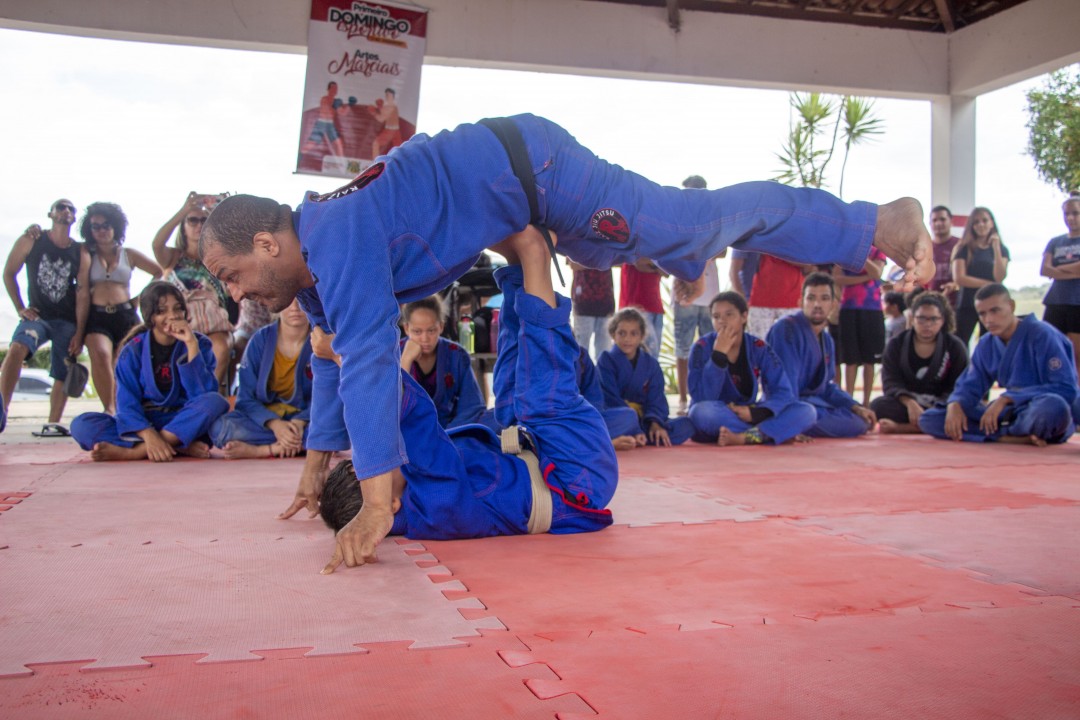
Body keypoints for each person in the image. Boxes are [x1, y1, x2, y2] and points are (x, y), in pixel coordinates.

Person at [199, 113, 932, 568]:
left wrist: (380, 503)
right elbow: (332, 358)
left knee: (691, 225)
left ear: (267, 243)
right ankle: (833, 243)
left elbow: (364, 361)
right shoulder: (320, 263)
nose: (237, 296)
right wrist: (316, 467)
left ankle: (875, 222)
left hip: (539, 173)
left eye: (233, 276)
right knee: (669, 247)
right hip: (529, 196)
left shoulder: (337, 234)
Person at [318, 230, 617, 565]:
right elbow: (416, 422)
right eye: (375, 473)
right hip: (577, 476)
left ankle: (517, 266)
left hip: (542, 456)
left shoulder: (415, 490)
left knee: (507, 393)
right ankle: (535, 256)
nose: (377, 461)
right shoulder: (434, 505)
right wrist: (343, 358)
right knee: (540, 397)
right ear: (387, 507)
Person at [70, 281, 229, 461]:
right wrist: (148, 434)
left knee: (216, 401)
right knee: (81, 426)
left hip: (182, 420)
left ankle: (137, 451)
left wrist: (191, 345)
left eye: (178, 309)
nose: (173, 316)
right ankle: (177, 445)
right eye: (161, 311)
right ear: (149, 316)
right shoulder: (132, 350)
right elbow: (126, 403)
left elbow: (203, 394)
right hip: (145, 422)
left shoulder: (199, 344)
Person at [919, 284, 1078, 446]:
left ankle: (1005, 432)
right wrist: (956, 403)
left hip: (1038, 409)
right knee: (930, 418)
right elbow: (970, 385)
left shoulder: (1043, 334)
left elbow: (1066, 388)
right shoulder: (986, 344)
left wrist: (1008, 398)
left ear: (1011, 306)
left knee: (1053, 407)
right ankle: (1008, 437)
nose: (989, 320)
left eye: (995, 311)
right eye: (982, 314)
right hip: (1009, 414)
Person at [1, 199, 90, 436]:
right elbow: (9, 273)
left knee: (63, 367)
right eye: (61, 207)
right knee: (18, 346)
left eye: (71, 209)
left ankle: (52, 423)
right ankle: (2, 410)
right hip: (37, 315)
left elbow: (82, 293)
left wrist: (80, 332)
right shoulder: (33, 239)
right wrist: (20, 307)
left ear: (74, 217)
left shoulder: (79, 250)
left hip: (66, 319)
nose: (66, 211)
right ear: (50, 213)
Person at [687, 291, 815, 446]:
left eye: (729, 315)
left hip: (748, 413)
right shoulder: (701, 347)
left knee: (806, 411)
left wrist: (755, 413)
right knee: (700, 412)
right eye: (716, 316)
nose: (722, 321)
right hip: (718, 414)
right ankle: (766, 433)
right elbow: (702, 397)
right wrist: (718, 356)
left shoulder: (759, 348)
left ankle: (744, 436)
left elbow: (783, 391)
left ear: (744, 316)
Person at [766, 273, 877, 438]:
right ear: (800, 302)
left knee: (859, 420)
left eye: (824, 298)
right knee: (810, 414)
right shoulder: (786, 329)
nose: (817, 304)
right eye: (811, 298)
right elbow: (784, 385)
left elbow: (827, 386)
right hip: (788, 405)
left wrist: (854, 406)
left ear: (833, 304)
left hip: (812, 405)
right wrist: (792, 420)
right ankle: (788, 423)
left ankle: (799, 422)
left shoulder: (827, 340)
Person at [79, 202, 163, 415]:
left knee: (124, 362)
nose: (101, 230)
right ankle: (109, 408)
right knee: (100, 354)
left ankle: (125, 407)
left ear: (116, 226)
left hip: (125, 314)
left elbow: (158, 271)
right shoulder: (84, 253)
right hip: (96, 315)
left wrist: (139, 299)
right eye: (95, 226)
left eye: (106, 225)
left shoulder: (128, 254)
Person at [210, 298, 313, 458]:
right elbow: (245, 399)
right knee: (221, 428)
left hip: (306, 420)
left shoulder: (320, 342)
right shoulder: (260, 341)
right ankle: (297, 445)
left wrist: (300, 422)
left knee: (336, 425)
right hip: (267, 420)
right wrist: (275, 425)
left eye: (301, 301)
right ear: (276, 305)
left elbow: (329, 396)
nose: (295, 308)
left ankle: (264, 449)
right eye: (289, 301)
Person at [154, 192, 235, 386]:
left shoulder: (219, 257)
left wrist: (223, 213)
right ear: (183, 226)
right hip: (182, 320)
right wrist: (183, 211)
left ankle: (206, 397)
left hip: (215, 323)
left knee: (220, 347)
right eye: (192, 220)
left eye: (204, 220)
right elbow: (157, 244)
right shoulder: (173, 257)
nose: (199, 225)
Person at [871, 291, 969, 434]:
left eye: (934, 319)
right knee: (878, 405)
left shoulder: (954, 346)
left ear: (942, 320)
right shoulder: (896, 344)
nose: (927, 325)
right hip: (906, 404)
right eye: (921, 319)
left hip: (942, 404)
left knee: (967, 409)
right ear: (912, 319)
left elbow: (959, 385)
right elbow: (890, 382)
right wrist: (910, 402)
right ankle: (930, 424)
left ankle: (903, 428)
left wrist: (944, 405)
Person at [597, 308, 693, 447]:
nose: (627, 339)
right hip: (621, 416)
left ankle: (644, 435)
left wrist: (655, 423)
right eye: (622, 333)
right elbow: (609, 398)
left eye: (633, 334)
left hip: (645, 420)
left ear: (641, 336)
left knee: (687, 424)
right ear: (613, 334)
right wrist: (635, 425)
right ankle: (640, 435)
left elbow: (656, 398)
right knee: (627, 416)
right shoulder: (606, 360)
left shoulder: (651, 364)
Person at [399, 296, 486, 429]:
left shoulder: (457, 354)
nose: (425, 338)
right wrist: (405, 360)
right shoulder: (395, 353)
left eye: (431, 330)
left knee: (495, 417)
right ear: (406, 328)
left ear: (441, 326)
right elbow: (388, 407)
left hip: (449, 430)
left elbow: (472, 406)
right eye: (417, 331)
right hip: (408, 431)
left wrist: (449, 435)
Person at [835, 246, 887, 407]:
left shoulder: (879, 250)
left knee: (869, 360)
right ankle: (850, 402)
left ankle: (866, 402)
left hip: (873, 309)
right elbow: (836, 278)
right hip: (848, 308)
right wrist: (865, 278)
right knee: (850, 359)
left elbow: (877, 273)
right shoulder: (845, 248)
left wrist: (860, 256)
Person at [952, 207, 1010, 346]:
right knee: (960, 341)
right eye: (976, 222)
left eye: (985, 220)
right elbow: (959, 278)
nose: (981, 225)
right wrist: (988, 285)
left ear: (991, 223)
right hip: (967, 302)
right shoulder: (963, 248)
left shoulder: (1002, 249)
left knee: (991, 342)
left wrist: (995, 248)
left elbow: (999, 277)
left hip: (993, 303)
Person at [1040, 195, 1080, 370]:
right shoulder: (1055, 242)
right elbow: (1044, 270)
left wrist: (1058, 270)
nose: (1070, 218)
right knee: (1051, 352)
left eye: (1075, 213)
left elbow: (1052, 270)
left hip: (1077, 303)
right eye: (1067, 214)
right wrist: (1073, 270)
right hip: (1055, 301)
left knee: (1076, 355)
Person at [745, 255, 805, 339]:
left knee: (792, 345)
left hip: (792, 300)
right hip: (761, 300)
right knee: (758, 345)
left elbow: (808, 262)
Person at [619, 258, 666, 357]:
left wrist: (651, 264)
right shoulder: (635, 244)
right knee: (649, 352)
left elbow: (667, 271)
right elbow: (638, 262)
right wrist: (657, 265)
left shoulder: (659, 247)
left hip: (656, 305)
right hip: (635, 306)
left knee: (654, 354)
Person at [569, 261, 614, 360]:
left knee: (604, 352)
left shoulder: (607, 246)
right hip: (583, 303)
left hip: (606, 303)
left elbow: (618, 261)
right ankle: (581, 374)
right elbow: (574, 265)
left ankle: (602, 375)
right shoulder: (578, 246)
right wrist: (598, 259)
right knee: (581, 350)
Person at [302, 81, 346, 158]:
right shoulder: (324, 99)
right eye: (333, 88)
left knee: (339, 143)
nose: (335, 90)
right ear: (328, 89)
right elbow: (328, 109)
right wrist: (337, 105)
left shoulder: (336, 101)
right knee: (310, 144)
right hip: (321, 123)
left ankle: (342, 164)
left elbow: (341, 113)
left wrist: (348, 107)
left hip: (330, 124)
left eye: (336, 88)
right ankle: (300, 157)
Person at [927, 205, 959, 305]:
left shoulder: (961, 245)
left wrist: (956, 285)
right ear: (930, 223)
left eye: (942, 219)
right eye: (934, 220)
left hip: (957, 303)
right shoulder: (925, 248)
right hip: (931, 303)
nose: (938, 223)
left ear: (951, 221)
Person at [369, 88, 403, 158]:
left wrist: (374, 112)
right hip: (395, 130)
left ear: (393, 96)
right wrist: (378, 108)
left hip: (390, 131)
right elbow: (382, 114)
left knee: (376, 143)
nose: (387, 96)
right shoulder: (388, 106)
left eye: (388, 95)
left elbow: (381, 119)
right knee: (399, 150)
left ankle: (375, 164)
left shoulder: (392, 107)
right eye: (386, 95)